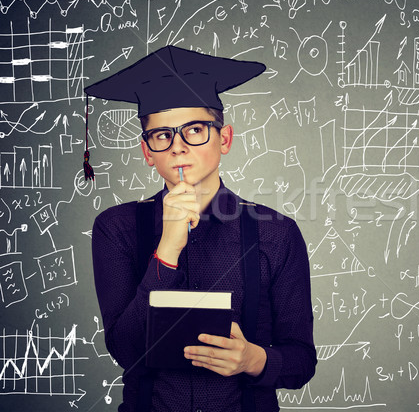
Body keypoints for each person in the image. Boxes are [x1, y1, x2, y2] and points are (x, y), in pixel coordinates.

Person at [88, 46, 317, 412]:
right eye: (162, 135)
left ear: (223, 139)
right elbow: (125, 351)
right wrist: (167, 251)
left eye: (195, 130)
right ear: (148, 152)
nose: (178, 147)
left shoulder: (276, 233)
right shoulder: (117, 229)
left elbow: (301, 362)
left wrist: (252, 359)